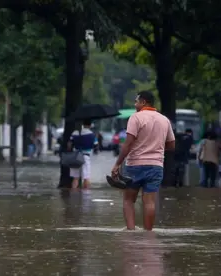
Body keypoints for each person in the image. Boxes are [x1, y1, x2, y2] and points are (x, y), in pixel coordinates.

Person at [111, 91, 175, 231]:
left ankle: (131, 232)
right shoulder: (164, 120)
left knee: (128, 200)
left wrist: (117, 164)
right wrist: (155, 146)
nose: (135, 105)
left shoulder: (136, 118)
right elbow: (171, 145)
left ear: (144, 102)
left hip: (135, 165)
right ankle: (148, 235)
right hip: (156, 166)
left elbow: (127, 144)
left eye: (136, 101)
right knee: (149, 202)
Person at [68, 119, 97, 189]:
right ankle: (86, 197)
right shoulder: (92, 134)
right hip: (85, 157)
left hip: (76, 156)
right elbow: (96, 145)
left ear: (83, 125)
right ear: (90, 125)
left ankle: (73, 195)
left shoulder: (75, 133)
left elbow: (69, 144)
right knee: (86, 178)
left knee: (75, 178)